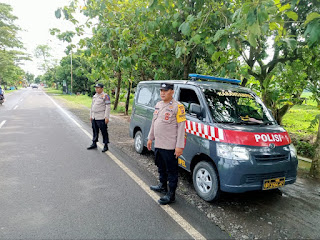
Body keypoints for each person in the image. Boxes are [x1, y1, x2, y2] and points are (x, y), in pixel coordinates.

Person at [147, 83, 186, 205]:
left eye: (166, 90)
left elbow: (181, 127)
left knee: (171, 171)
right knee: (160, 167)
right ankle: (162, 186)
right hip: (159, 143)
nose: (162, 93)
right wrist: (150, 138)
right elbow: (154, 122)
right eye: (161, 90)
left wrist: (179, 146)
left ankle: (171, 194)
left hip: (170, 146)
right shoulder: (158, 105)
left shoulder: (178, 107)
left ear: (172, 92)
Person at [87, 83, 111, 152]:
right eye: (96, 88)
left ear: (102, 88)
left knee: (104, 131)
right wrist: (91, 115)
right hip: (94, 116)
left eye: (98, 88)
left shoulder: (105, 96)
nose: (96, 89)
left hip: (101, 117)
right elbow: (92, 106)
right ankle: (94, 143)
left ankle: (105, 145)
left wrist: (106, 117)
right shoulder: (95, 96)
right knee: (95, 130)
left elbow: (108, 107)